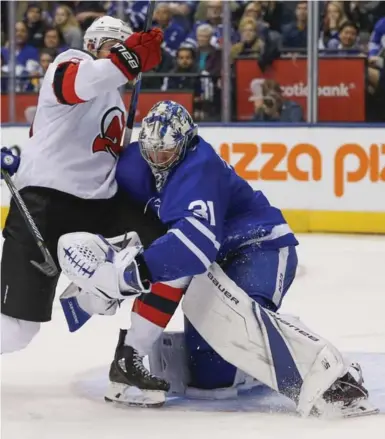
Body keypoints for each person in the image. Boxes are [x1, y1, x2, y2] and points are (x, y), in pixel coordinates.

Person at [56, 101, 377, 418]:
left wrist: (127, 276)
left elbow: (194, 247)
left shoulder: (199, 168)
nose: (157, 162)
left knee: (232, 322)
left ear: (185, 145)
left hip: (260, 247)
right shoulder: (134, 165)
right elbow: (136, 226)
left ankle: (329, 378)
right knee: (211, 377)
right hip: (217, 260)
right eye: (151, 152)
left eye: (165, 154)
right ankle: (133, 354)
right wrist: (105, 275)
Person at [1, 16, 164, 355]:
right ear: (93, 45)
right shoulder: (72, 62)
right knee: (17, 331)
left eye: (127, 48)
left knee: (161, 244)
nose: (122, 54)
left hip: (98, 208)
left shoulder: (115, 98)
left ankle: (96, 302)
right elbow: (78, 85)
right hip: (45, 205)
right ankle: (93, 293)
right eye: (115, 47)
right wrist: (129, 57)